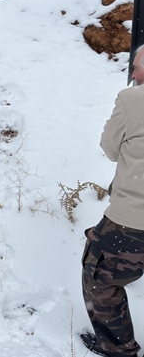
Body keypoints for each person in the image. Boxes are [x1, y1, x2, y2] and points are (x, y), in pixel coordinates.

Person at [80, 47, 144, 357]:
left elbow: (110, 148)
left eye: (137, 67)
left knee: (99, 277)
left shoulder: (133, 99)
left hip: (133, 218)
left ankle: (118, 348)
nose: (133, 73)